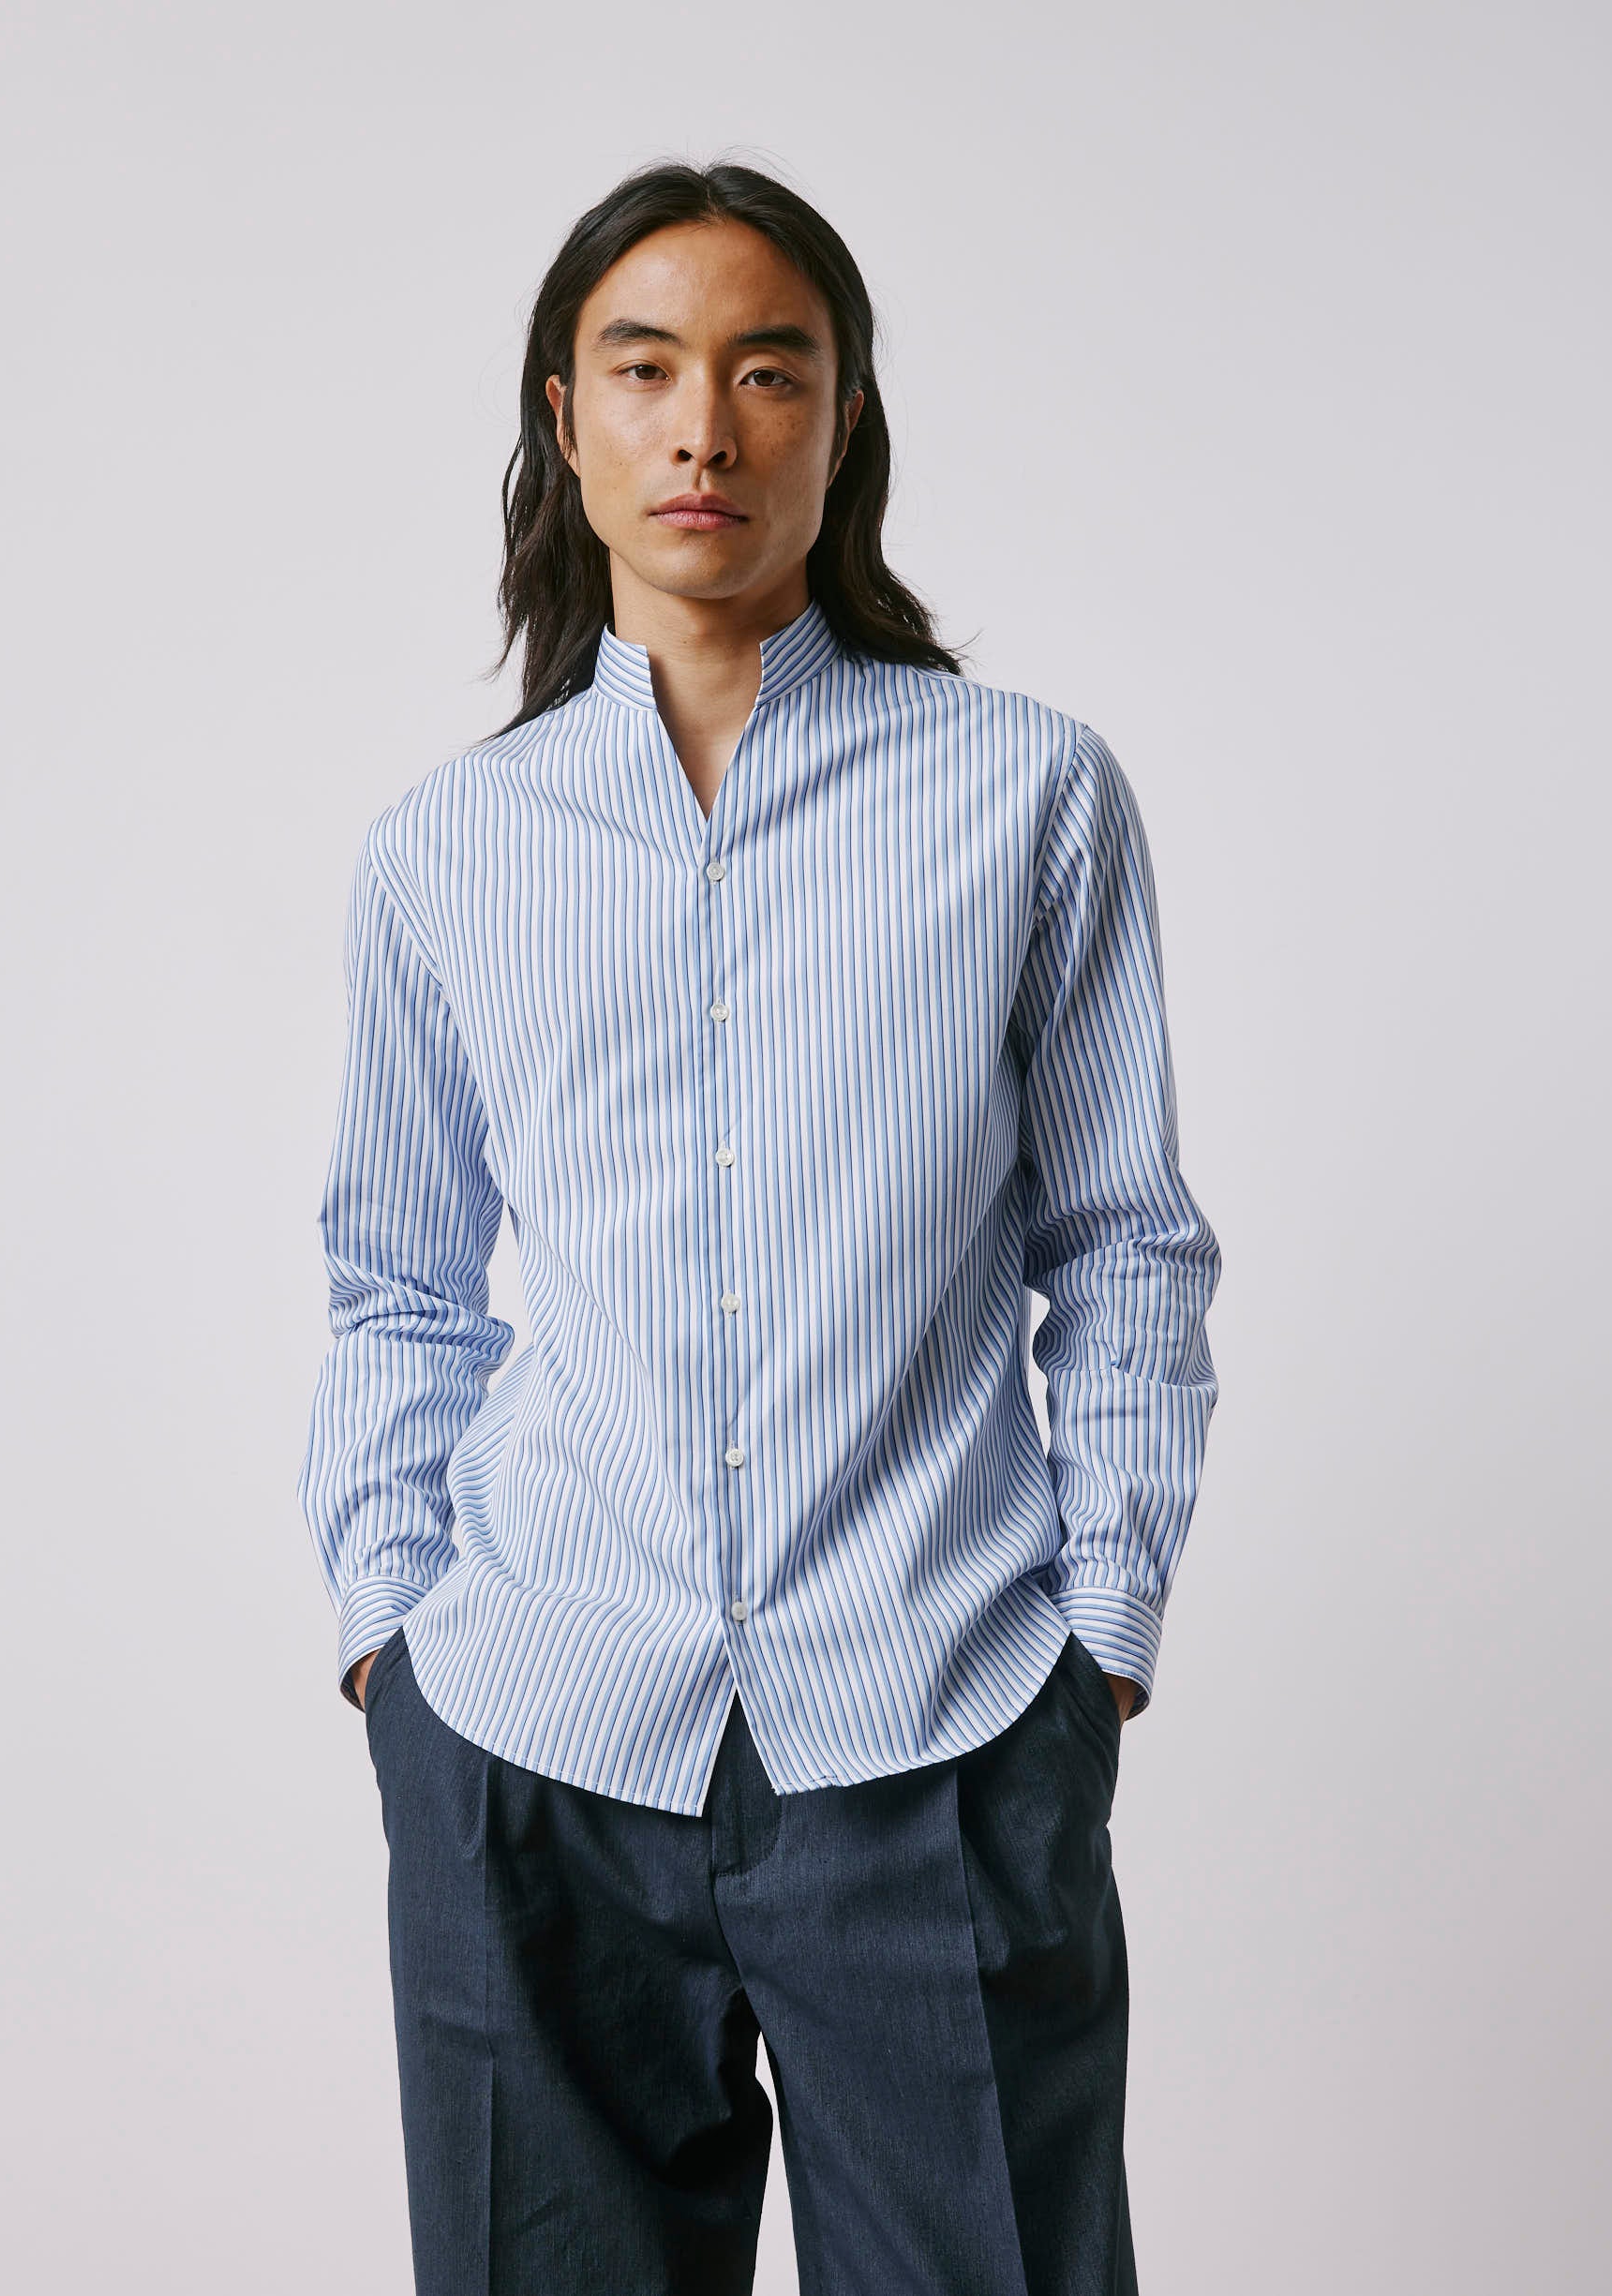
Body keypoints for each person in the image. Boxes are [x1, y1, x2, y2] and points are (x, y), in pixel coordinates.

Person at [297, 156, 1220, 2296]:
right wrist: (391, 1634)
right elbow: (395, 1283)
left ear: (845, 418)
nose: (703, 428)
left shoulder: (1028, 796)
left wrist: (1095, 1640)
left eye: (767, 371)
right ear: (567, 423)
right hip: (532, 1732)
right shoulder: (447, 854)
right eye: (645, 371)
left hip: (941, 1722)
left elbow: (1126, 1239)